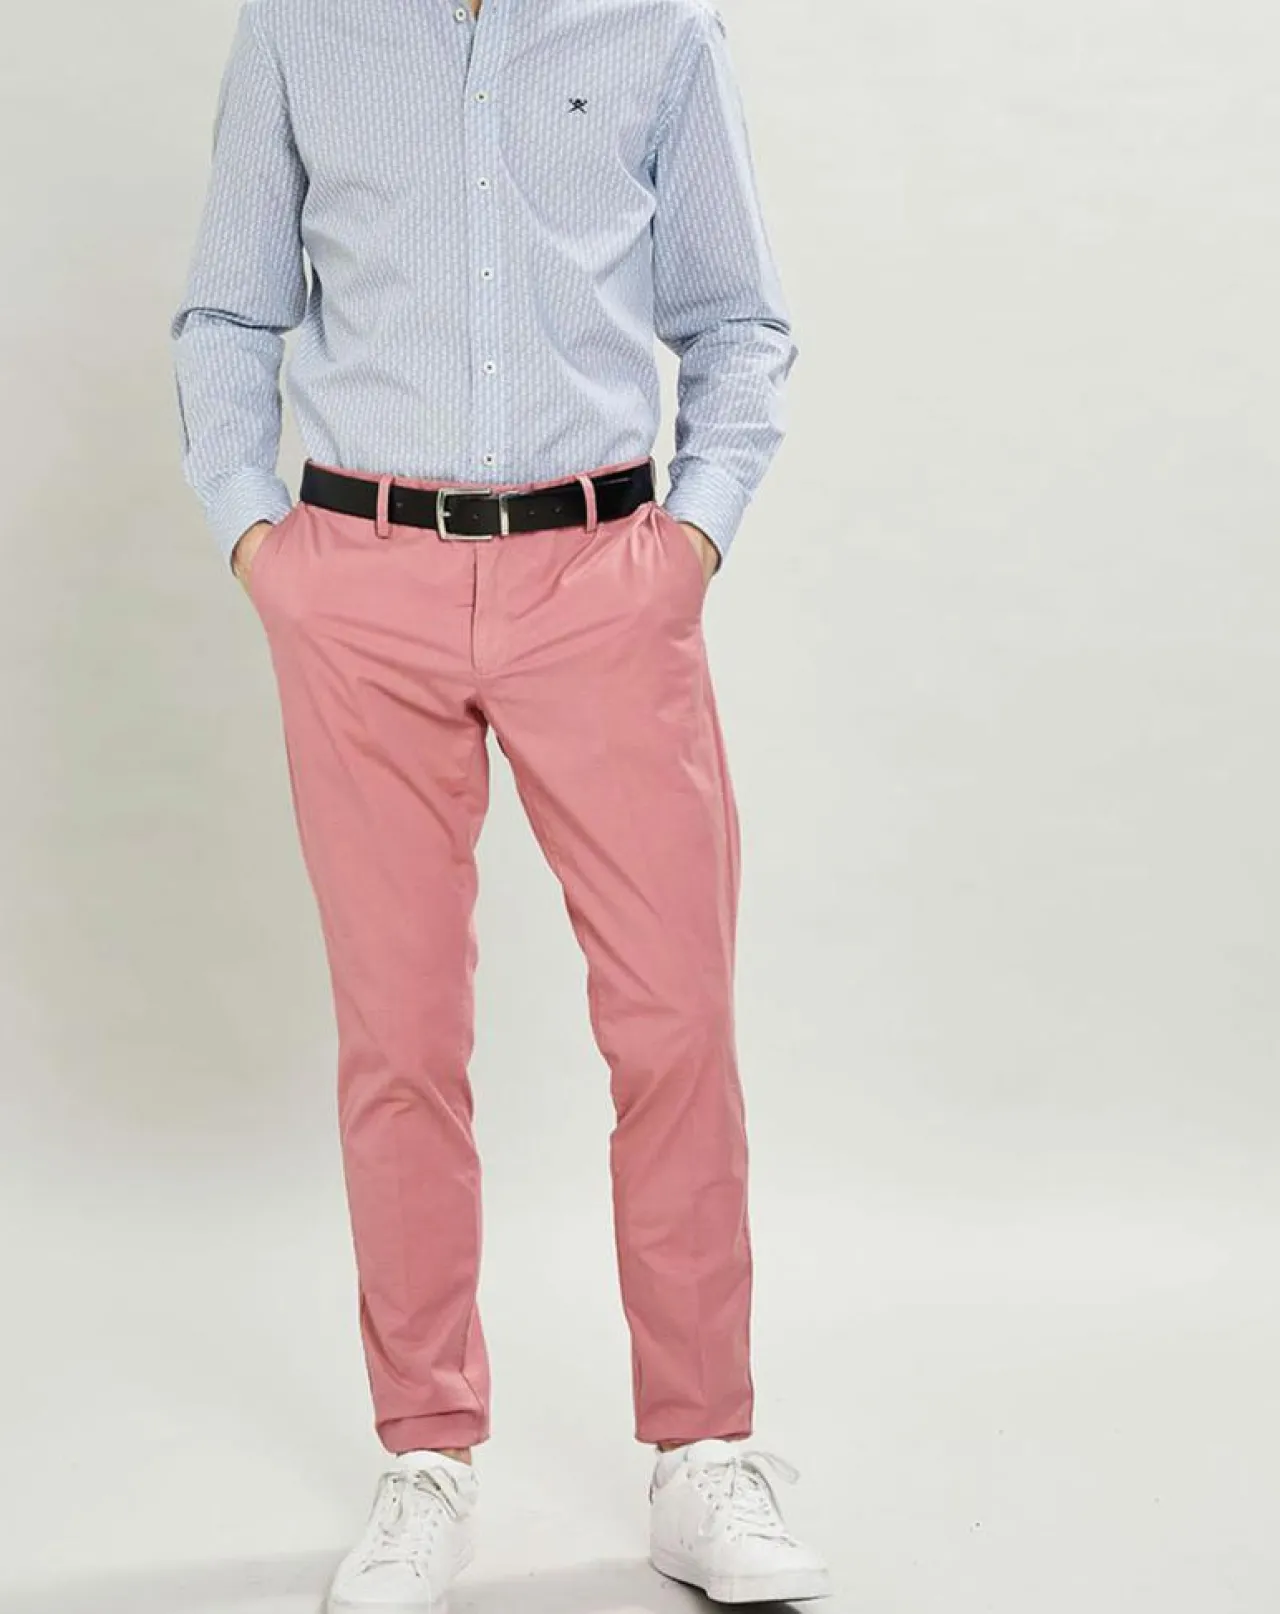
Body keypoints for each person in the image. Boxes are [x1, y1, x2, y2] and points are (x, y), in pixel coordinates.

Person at [169, 0, 827, 1606]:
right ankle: (427, 1458)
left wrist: (689, 545)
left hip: (604, 576)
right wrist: (261, 541)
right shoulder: (299, 31)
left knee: (673, 1022)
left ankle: (702, 1452)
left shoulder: (662, 29)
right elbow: (229, 314)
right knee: (401, 1040)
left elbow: (739, 323)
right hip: (360, 580)